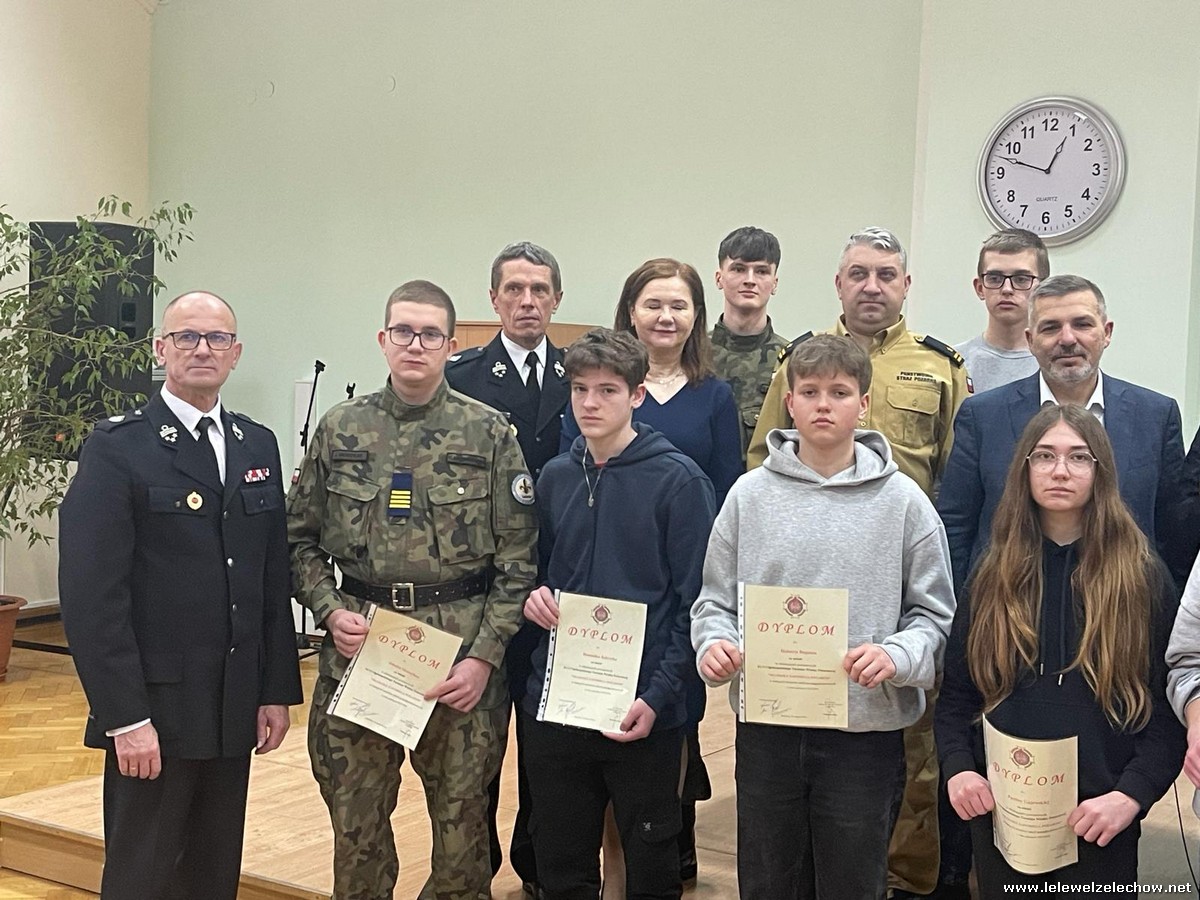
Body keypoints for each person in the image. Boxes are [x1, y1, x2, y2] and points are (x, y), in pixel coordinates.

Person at [288, 280, 538, 900]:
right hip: (361, 648)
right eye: (403, 331)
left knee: (461, 838)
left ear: (451, 345)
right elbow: (297, 541)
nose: (416, 344)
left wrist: (484, 658)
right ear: (383, 339)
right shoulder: (341, 428)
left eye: (430, 334)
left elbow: (518, 563)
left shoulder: (488, 433)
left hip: (458, 658)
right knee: (356, 825)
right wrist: (328, 610)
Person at [58, 291, 303, 900]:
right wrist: (124, 717)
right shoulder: (119, 447)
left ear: (235, 354)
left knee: (213, 871)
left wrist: (274, 689)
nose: (202, 349)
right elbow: (92, 598)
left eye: (217, 338)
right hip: (156, 708)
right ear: (160, 349)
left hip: (232, 702)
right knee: (143, 873)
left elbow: (270, 578)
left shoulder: (256, 445)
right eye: (186, 336)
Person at [692, 333, 955, 900]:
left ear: (864, 404)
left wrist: (896, 655)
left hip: (864, 732)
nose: (823, 404)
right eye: (809, 392)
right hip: (768, 729)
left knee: (852, 881)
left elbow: (934, 616)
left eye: (839, 392)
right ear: (789, 403)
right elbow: (713, 602)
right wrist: (713, 644)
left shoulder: (905, 502)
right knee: (769, 879)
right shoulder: (747, 496)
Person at [747, 227, 969, 896]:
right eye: (859, 273)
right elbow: (762, 462)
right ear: (838, 283)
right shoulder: (798, 360)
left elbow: (957, 484)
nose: (872, 286)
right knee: (795, 786)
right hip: (798, 609)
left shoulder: (940, 367)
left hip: (892, 592)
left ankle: (903, 882)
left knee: (911, 759)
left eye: (886, 274)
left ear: (906, 285)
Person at [936, 404, 1184, 897]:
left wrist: (1131, 796)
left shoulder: (1141, 579)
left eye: (1079, 457)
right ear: (1024, 469)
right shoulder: (990, 576)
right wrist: (959, 768)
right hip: (1003, 818)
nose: (1060, 470)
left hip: (1099, 821)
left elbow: (1166, 714)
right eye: (1045, 455)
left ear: (1101, 471)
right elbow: (956, 699)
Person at [522, 328, 716, 900]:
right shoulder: (555, 477)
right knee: (561, 866)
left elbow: (695, 604)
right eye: (579, 389)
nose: (590, 403)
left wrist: (657, 696)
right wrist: (534, 595)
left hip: (642, 709)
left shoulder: (680, 482)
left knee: (651, 870)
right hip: (558, 706)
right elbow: (533, 572)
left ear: (637, 395)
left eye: (607, 390)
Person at [445, 241, 569, 894]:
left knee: (548, 745)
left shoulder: (579, 375)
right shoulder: (462, 377)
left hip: (560, 588)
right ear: (493, 299)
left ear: (557, 299)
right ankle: (477, 867)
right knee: (477, 748)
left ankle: (538, 865)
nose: (527, 301)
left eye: (539, 289)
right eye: (514, 289)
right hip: (483, 590)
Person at [937, 274, 1188, 597]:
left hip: (1125, 609)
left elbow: (1173, 532)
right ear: (1030, 340)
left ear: (1107, 333)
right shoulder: (983, 416)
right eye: (1051, 327)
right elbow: (956, 526)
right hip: (1008, 607)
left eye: (1082, 324)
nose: (1067, 339)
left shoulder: (1155, 416)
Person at [559, 258, 740, 508]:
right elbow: (568, 475)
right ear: (632, 312)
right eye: (653, 306)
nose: (666, 317)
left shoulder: (717, 396)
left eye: (678, 307)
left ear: (696, 315)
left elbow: (725, 489)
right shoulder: (592, 390)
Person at [709, 226, 789, 461]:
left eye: (761, 271)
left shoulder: (791, 361)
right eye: (739, 269)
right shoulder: (691, 353)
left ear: (774, 283)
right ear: (719, 278)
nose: (750, 280)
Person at [954, 228, 1047, 394]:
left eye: (1021, 279)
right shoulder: (953, 364)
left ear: (1042, 289)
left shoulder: (1055, 364)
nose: (1007, 289)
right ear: (980, 288)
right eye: (995, 279)